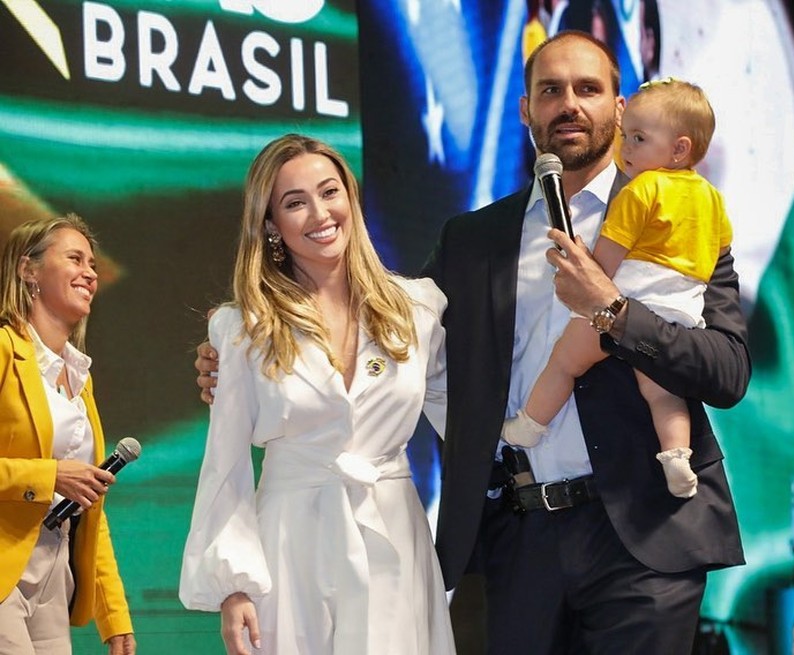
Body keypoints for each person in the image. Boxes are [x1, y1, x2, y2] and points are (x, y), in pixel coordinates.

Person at [197, 31, 747, 654]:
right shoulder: (472, 240)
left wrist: (615, 312)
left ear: (619, 109)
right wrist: (245, 357)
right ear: (526, 111)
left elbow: (726, 371)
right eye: (550, 90)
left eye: (588, 89)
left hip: (646, 533)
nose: (569, 103)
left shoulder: (681, 217)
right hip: (521, 538)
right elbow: (382, 327)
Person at [178, 134, 454, 655]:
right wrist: (234, 584)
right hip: (290, 543)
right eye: (294, 202)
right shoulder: (243, 329)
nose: (319, 213)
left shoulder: (417, 310)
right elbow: (226, 465)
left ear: (350, 198)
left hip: (394, 533)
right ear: (270, 225)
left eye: (329, 193)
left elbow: (468, 419)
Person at [500, 77, 731, 500]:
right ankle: (677, 454)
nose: (627, 149)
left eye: (639, 139)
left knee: (565, 363)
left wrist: (587, 274)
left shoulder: (642, 189)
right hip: (681, 312)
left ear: (679, 149)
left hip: (627, 305)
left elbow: (603, 267)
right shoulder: (711, 197)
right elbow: (719, 246)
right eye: (628, 137)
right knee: (663, 394)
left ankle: (529, 424)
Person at [0, 214, 136, 654]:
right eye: (74, 258)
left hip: (54, 573)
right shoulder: (4, 350)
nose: (91, 273)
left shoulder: (78, 379)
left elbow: (91, 507)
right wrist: (48, 477)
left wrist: (114, 617)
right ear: (29, 270)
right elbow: (57, 478)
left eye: (93, 264)